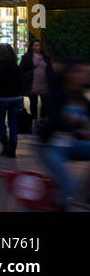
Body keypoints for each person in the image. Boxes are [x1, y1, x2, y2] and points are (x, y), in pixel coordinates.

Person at [37, 61, 90, 209]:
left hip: (70, 144)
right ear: (69, 74)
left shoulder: (81, 97)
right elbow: (55, 119)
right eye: (81, 73)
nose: (85, 76)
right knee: (69, 185)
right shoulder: (56, 93)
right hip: (50, 146)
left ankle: (85, 194)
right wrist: (78, 131)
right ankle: (56, 205)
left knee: (72, 187)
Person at [0, 43, 24, 159]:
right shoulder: (16, 66)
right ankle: (13, 147)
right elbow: (21, 81)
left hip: (2, 98)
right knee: (13, 123)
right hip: (16, 98)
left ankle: (5, 144)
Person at [21, 39, 53, 121]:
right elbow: (22, 69)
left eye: (39, 45)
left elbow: (50, 70)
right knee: (33, 102)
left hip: (44, 83)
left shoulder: (45, 57)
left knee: (45, 102)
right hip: (32, 83)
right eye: (36, 45)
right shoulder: (26, 57)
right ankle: (34, 118)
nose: (38, 47)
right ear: (31, 47)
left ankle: (42, 117)